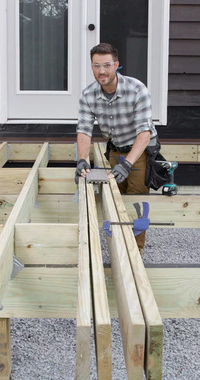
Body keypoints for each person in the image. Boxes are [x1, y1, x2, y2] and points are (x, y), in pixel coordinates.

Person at [74, 42, 159, 253]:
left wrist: (128, 164)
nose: (102, 71)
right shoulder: (88, 95)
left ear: (116, 65)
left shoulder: (137, 89)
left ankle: (135, 251)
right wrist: (82, 160)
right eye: (96, 65)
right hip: (115, 148)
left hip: (139, 150)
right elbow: (84, 130)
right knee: (114, 196)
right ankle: (118, 243)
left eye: (107, 65)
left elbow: (144, 133)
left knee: (137, 199)